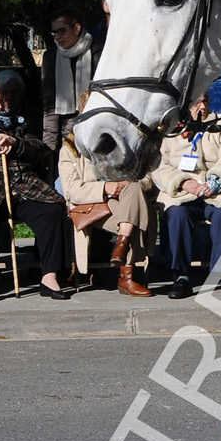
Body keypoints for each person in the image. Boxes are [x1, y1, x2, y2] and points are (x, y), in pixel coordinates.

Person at [0, 75, 69, 303]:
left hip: (25, 187)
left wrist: (14, 143)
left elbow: (39, 148)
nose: (1, 105)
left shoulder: (18, 123)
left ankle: (49, 276)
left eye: (1, 100)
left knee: (53, 211)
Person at [152, 91, 221, 300]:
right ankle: (182, 277)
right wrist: (184, 182)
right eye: (196, 103)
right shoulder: (171, 129)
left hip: (220, 192)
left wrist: (215, 181)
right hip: (184, 193)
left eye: (205, 102)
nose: (201, 106)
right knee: (177, 215)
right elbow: (159, 166)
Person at [59, 97, 155, 298]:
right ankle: (126, 277)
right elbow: (71, 190)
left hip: (126, 201)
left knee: (135, 190)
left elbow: (148, 178)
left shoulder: (126, 142)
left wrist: (129, 182)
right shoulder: (70, 147)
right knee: (134, 215)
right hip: (92, 205)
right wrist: (106, 187)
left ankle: (121, 243)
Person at [41, 6, 101, 160]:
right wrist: (49, 145)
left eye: (61, 31)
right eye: (54, 33)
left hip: (96, 123)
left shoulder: (98, 51)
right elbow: (50, 104)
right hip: (66, 129)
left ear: (77, 28)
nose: (57, 37)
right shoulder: (52, 57)